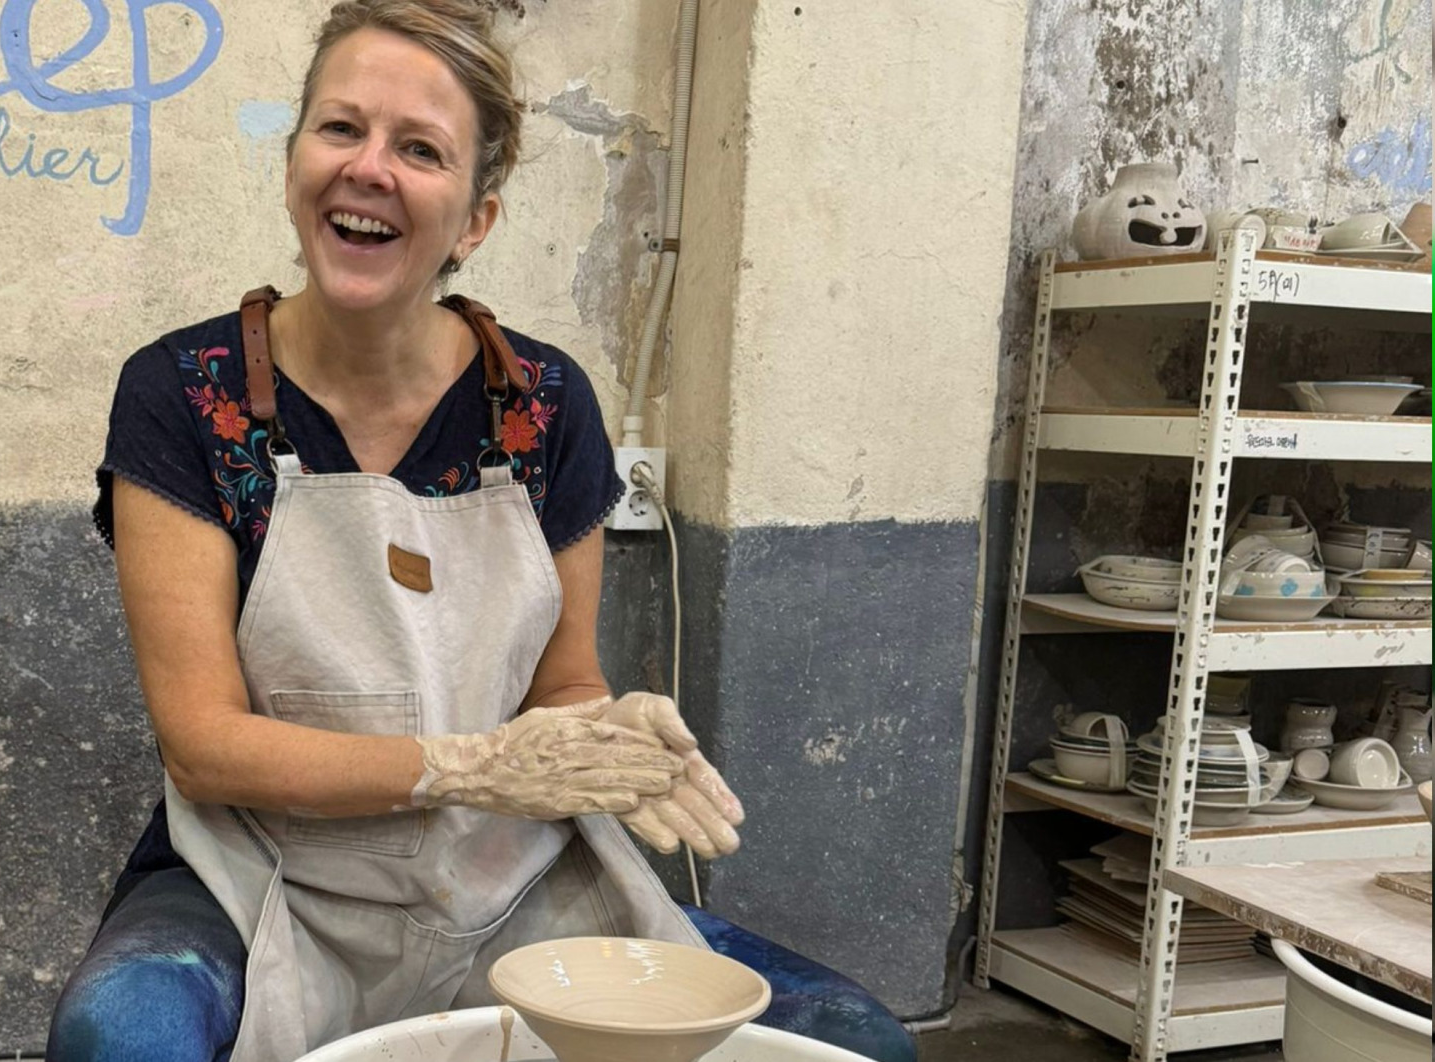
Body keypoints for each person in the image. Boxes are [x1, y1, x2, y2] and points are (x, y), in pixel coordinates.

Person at [48, 3, 914, 1061]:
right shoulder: (189, 392)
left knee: (859, 1042)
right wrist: (461, 763)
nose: (369, 169)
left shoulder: (542, 404)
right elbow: (203, 747)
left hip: (511, 876)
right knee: (121, 1040)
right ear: (291, 168)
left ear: (473, 220)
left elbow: (560, 686)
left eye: (420, 149)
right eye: (339, 129)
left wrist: (604, 738)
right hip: (262, 874)